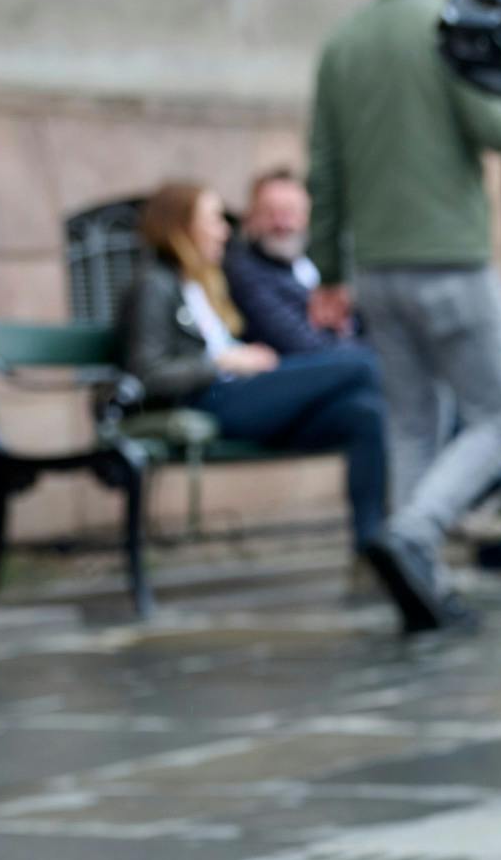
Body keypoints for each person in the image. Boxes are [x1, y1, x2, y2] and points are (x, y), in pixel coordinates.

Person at [308, 0, 501, 632]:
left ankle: (422, 584)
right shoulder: (448, 24)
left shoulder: (342, 43)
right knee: (498, 415)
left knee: (410, 424)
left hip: (376, 267)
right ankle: (416, 532)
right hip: (452, 260)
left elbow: (324, 168)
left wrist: (327, 271)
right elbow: (498, 127)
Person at [117, 180, 410, 613]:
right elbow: (148, 372)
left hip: (243, 400)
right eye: (214, 220)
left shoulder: (203, 282)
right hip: (210, 403)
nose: (223, 231)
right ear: (181, 227)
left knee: (365, 413)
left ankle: (371, 552)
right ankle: (476, 472)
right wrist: (224, 363)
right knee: (361, 366)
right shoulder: (154, 284)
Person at [225, 167, 369, 363]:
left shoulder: (320, 260)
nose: (282, 224)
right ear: (251, 218)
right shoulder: (246, 271)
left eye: (290, 212)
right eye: (270, 213)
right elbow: (302, 345)